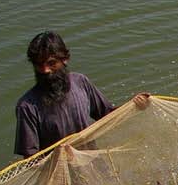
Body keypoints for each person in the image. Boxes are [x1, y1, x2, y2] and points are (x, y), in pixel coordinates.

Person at [14, 31, 149, 158]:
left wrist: (135, 106)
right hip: (58, 173)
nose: (45, 70)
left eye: (51, 63)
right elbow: (31, 157)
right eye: (39, 65)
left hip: (91, 161)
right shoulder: (27, 106)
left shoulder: (80, 82)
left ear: (65, 59)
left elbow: (107, 114)